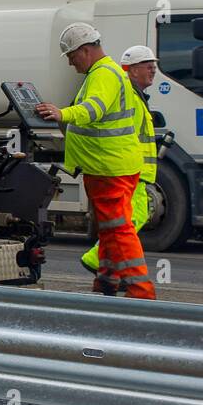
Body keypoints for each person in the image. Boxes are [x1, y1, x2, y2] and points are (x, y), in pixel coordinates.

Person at [36, 23, 154, 299]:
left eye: (71, 55)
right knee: (112, 230)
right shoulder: (110, 72)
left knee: (120, 230)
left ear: (85, 50)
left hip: (108, 168)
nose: (69, 62)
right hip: (115, 165)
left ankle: (142, 293)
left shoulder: (103, 74)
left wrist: (61, 114)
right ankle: (106, 282)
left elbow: (94, 109)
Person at [80, 45, 159, 276]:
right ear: (132, 70)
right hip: (131, 170)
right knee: (130, 219)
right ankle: (98, 261)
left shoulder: (137, 96)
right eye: (148, 66)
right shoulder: (131, 97)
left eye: (153, 65)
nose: (153, 70)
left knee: (128, 220)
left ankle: (108, 269)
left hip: (136, 169)